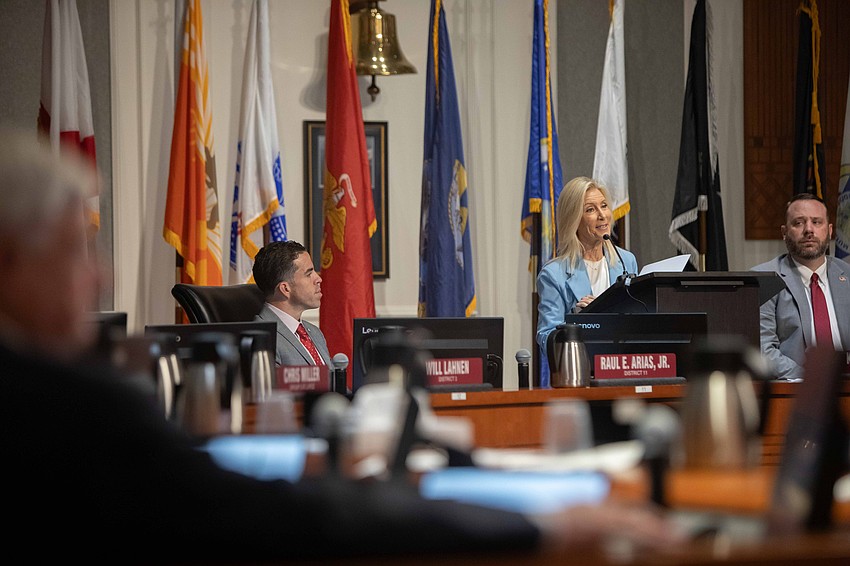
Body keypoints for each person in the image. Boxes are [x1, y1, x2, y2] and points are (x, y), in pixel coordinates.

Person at [0, 131, 683, 562]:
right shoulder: (72, 411)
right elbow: (273, 515)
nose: (101, 277)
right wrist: (531, 525)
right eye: (72, 251)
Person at [536, 177, 638, 379]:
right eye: (590, 210)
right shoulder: (553, 274)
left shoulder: (626, 261)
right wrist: (579, 322)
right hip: (580, 375)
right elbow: (545, 337)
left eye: (604, 206)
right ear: (574, 219)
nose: (602, 215)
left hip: (624, 372)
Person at [751, 193, 850, 379]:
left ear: (829, 231)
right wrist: (811, 382)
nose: (809, 230)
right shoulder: (764, 278)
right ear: (784, 232)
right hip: (794, 389)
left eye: (816, 222)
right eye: (798, 223)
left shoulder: (847, 275)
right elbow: (762, 348)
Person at [252, 240, 333, 367]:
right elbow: (271, 387)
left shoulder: (315, 333)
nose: (318, 279)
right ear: (285, 289)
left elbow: (333, 384)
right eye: (308, 274)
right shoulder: (261, 338)